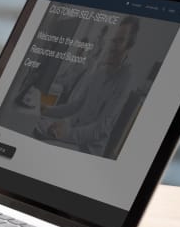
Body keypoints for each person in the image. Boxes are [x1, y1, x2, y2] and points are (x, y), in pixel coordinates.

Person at [37, 16, 140, 156]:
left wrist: (66, 133)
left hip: (88, 148)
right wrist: (46, 110)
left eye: (120, 41)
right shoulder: (101, 71)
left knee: (41, 148)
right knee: (37, 127)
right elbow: (77, 105)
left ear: (130, 45)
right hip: (74, 134)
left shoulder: (127, 78)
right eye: (114, 40)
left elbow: (101, 129)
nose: (113, 46)